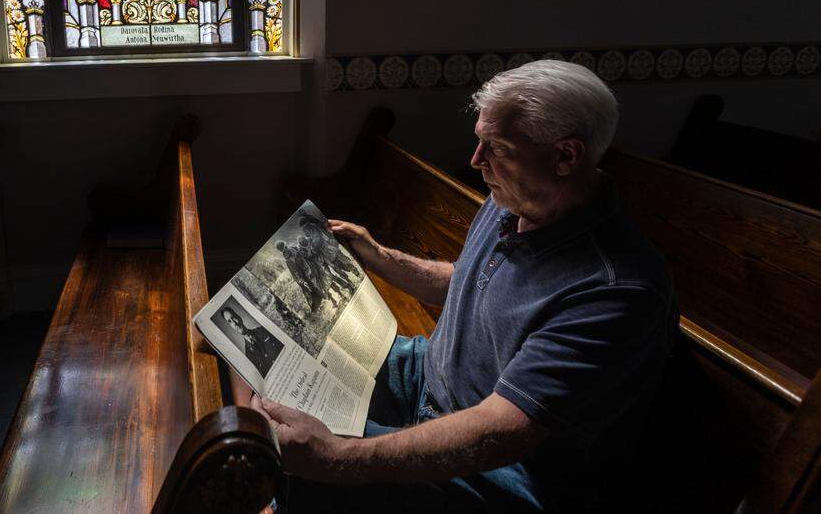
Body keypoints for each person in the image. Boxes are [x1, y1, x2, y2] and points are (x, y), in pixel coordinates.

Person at [239, 60, 678, 512]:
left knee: (309, 467)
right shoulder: (515, 199)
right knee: (285, 350)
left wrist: (338, 457)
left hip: (508, 470)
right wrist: (381, 257)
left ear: (566, 156)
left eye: (498, 147)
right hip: (427, 375)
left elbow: (503, 429)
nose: (475, 160)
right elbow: (469, 281)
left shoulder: (615, 290)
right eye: (479, 139)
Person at [222, 307, 284, 378]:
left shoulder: (263, 330)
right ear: (231, 326)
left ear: (239, 317)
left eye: (233, 317)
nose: (234, 323)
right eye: (229, 321)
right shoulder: (249, 355)